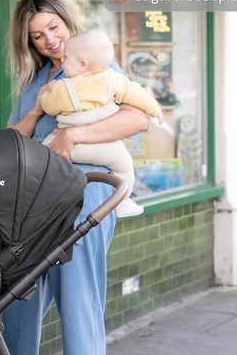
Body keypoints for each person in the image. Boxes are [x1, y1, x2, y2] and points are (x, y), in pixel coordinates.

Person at [3, 0, 148, 355]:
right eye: (37, 35)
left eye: (54, 28)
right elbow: (16, 136)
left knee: (78, 298)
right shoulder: (35, 79)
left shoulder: (95, 65)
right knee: (18, 298)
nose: (49, 40)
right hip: (38, 203)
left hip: (88, 199)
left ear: (69, 23)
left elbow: (137, 118)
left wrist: (76, 133)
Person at [41, 30, 163, 217]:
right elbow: (137, 94)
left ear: (82, 65)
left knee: (44, 155)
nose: (62, 62)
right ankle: (121, 201)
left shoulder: (64, 88)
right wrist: (155, 110)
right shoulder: (113, 79)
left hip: (71, 147)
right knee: (125, 166)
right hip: (107, 149)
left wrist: (46, 94)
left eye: (65, 58)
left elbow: (49, 107)